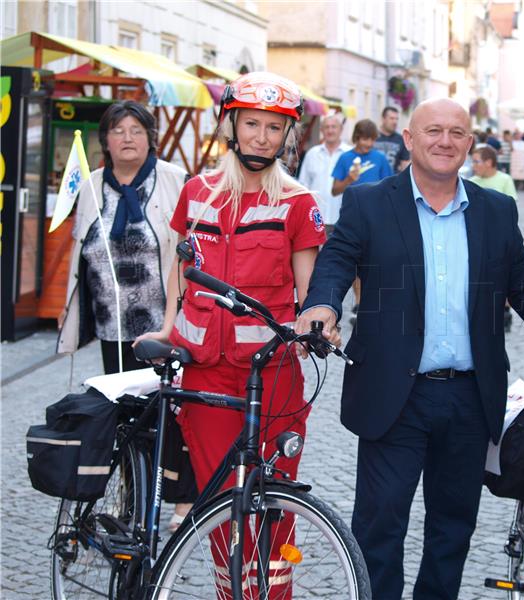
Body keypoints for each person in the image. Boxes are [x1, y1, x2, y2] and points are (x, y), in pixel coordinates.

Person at [297, 97, 524, 599]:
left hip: (469, 397)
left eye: (457, 133)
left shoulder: (496, 211)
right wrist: (323, 307)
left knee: (452, 533)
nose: (445, 141)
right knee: (379, 531)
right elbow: (336, 262)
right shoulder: (369, 202)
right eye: (433, 131)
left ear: (470, 143)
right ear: (410, 140)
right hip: (393, 396)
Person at [136, 71, 328, 596]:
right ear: (232, 126)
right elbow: (179, 268)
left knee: (277, 499)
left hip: (275, 377)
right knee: (221, 502)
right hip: (208, 378)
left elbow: (310, 288)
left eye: (273, 128)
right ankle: (233, 593)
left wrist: (316, 326)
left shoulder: (297, 201)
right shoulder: (197, 193)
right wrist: (169, 327)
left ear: (287, 136)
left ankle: (276, 592)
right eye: (251, 125)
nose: (261, 137)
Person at [56, 101, 196, 527]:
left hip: (162, 326)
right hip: (111, 325)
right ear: (106, 141)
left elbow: (189, 252)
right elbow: (83, 252)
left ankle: (180, 498)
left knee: (170, 416)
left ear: (150, 136)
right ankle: (131, 499)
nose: (128, 137)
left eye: (137, 129)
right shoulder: (92, 186)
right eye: (118, 130)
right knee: (123, 419)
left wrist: (178, 320)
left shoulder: (174, 180)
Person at [331, 118, 392, 324]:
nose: (367, 144)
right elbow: (335, 190)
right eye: (364, 139)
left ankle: (370, 300)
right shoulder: (345, 158)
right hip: (351, 216)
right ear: (357, 137)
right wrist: (349, 179)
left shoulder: (380, 158)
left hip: (378, 216)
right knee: (356, 262)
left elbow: (389, 185)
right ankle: (359, 302)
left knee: (374, 260)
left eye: (371, 140)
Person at [297, 112, 350, 236]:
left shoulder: (349, 154)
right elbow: (303, 186)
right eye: (327, 127)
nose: (330, 131)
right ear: (321, 130)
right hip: (315, 218)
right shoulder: (312, 154)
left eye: (334, 127)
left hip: (343, 219)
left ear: (341, 129)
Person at [374, 105, 410, 173]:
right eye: (392, 118)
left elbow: (405, 166)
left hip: (392, 180)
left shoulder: (402, 140)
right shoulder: (373, 137)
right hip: (374, 180)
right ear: (383, 119)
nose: (395, 122)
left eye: (396, 119)